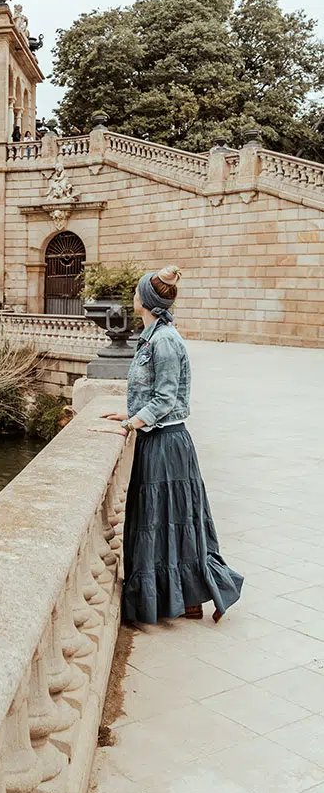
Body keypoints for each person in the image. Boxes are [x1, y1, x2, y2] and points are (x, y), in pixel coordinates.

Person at [98, 265, 243, 624]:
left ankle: (187, 598)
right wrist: (128, 412)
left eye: (136, 292)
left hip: (167, 442)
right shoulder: (154, 335)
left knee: (169, 521)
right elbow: (154, 394)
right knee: (167, 521)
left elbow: (165, 399)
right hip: (158, 440)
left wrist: (134, 422)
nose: (132, 297)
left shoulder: (163, 340)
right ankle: (186, 600)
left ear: (145, 301)